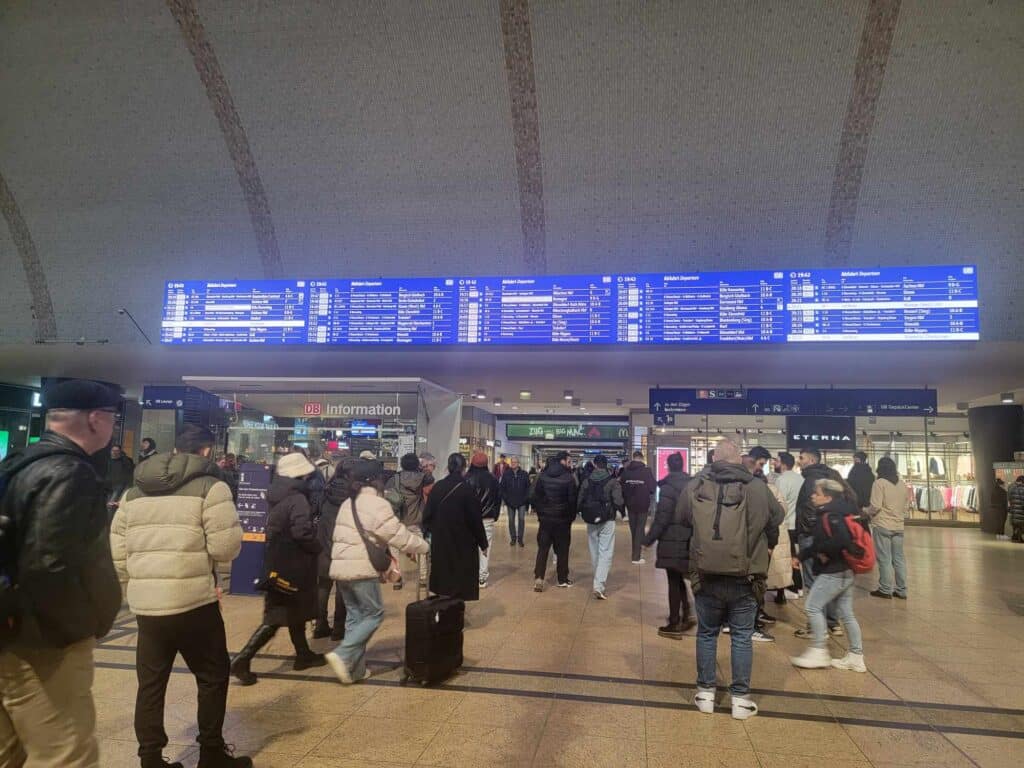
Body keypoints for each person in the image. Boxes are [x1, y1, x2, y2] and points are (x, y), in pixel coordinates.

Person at [0, 380, 123, 767]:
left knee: (10, 751)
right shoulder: (70, 472)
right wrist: (76, 629)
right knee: (66, 754)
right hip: (40, 642)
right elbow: (48, 565)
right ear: (95, 419)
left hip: (8, 629)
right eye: (112, 419)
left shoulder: (19, 462)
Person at [112, 424, 249, 768]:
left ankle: (151, 758)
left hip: (147, 606)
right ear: (206, 452)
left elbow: (117, 549)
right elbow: (225, 548)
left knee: (151, 683)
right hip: (193, 603)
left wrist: (136, 579)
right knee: (212, 676)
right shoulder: (211, 487)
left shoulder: (134, 492)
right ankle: (212, 753)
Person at [678, 438, 781, 721]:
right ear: (739, 459)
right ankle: (740, 700)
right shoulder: (757, 487)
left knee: (707, 633)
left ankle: (705, 694)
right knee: (741, 637)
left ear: (713, 458)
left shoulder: (696, 484)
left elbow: (682, 517)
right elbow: (777, 517)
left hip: (706, 573)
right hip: (746, 576)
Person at [327, 461, 429, 683]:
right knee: (374, 614)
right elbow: (396, 535)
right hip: (361, 569)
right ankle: (343, 654)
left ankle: (354, 671)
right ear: (375, 480)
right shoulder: (376, 503)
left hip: (340, 567)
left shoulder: (348, 503)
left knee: (355, 618)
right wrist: (422, 546)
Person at [231, 453, 325, 686]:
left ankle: (303, 655)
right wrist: (317, 545)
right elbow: (301, 531)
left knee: (294, 611)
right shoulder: (297, 499)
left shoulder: (277, 494)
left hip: (277, 561)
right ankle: (242, 659)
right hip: (294, 564)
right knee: (275, 617)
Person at [791, 478, 867, 672]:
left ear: (827, 496)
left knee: (812, 607)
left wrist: (822, 552)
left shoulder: (830, 515)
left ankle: (818, 651)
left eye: (816, 493)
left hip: (833, 571)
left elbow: (839, 540)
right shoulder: (843, 511)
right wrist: (803, 555)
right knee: (847, 613)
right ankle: (856, 656)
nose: (812, 496)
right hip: (846, 570)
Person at [794, 448, 845, 638]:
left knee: (812, 580)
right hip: (827, 534)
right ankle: (833, 622)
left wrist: (808, 531)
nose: (799, 461)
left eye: (802, 458)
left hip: (812, 536)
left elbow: (809, 509)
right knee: (827, 577)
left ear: (812, 460)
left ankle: (816, 626)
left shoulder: (810, 479)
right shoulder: (830, 476)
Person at [422, 453, 487, 600]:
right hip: (464, 542)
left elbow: (427, 515)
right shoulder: (467, 489)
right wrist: (483, 543)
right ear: (464, 469)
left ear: (448, 467)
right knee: (461, 577)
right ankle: (456, 610)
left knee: (443, 574)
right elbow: (475, 519)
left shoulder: (438, 487)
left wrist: (430, 532)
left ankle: (444, 607)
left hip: (441, 540)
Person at [642, 452, 693, 636]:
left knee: (673, 580)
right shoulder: (691, 485)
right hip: (688, 538)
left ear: (669, 466)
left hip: (672, 540)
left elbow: (662, 518)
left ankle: (674, 622)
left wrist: (648, 540)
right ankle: (686, 614)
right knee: (679, 578)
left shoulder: (668, 488)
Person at [314, 455, 357, 641]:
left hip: (324, 543)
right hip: (344, 545)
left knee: (323, 586)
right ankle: (339, 629)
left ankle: (320, 625)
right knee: (343, 589)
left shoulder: (326, 489)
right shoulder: (355, 494)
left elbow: (315, 510)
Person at [577, 454, 624, 600]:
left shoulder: (587, 480)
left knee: (594, 550)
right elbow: (618, 500)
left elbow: (580, 498)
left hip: (591, 519)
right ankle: (599, 584)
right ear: (606, 465)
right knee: (606, 552)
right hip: (607, 519)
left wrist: (579, 511)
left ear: (595, 465)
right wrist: (620, 511)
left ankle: (597, 577)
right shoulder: (612, 481)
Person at [384, 453, 434, 590]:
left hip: (398, 520)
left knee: (394, 550)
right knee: (421, 548)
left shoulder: (395, 478)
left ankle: (397, 580)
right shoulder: (423, 477)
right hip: (416, 520)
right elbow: (431, 480)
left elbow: (387, 494)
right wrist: (422, 469)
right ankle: (423, 578)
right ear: (416, 465)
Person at [531, 452, 577, 591]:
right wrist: (570, 517)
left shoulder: (542, 476)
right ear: (562, 462)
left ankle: (539, 577)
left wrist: (541, 513)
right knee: (562, 550)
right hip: (563, 520)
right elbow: (572, 500)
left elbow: (535, 497)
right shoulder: (569, 478)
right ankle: (562, 579)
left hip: (545, 520)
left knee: (543, 549)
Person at [867, 457, 909, 599]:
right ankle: (901, 590)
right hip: (899, 525)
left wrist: (866, 511)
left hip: (883, 524)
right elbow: (906, 506)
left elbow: (876, 506)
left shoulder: (879, 483)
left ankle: (885, 589)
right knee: (898, 559)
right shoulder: (902, 484)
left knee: (884, 558)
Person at [465, 452, 501, 589]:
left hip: (469, 519)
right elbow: (498, 499)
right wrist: (495, 515)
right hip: (487, 518)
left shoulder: (466, 478)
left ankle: (470, 574)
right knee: (485, 547)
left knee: (469, 546)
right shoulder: (493, 479)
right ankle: (482, 577)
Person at [772, 451, 804, 601]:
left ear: (783, 464)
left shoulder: (782, 480)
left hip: (786, 523)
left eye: (776, 461)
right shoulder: (800, 478)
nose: (774, 463)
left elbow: (778, 503)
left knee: (787, 557)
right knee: (793, 555)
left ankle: (793, 587)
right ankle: (798, 586)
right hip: (797, 523)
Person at [620, 450, 657, 564]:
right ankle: (636, 557)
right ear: (642, 458)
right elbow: (652, 488)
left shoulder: (625, 472)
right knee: (640, 529)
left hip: (630, 505)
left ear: (633, 458)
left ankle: (636, 553)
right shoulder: (647, 471)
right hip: (643, 504)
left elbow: (622, 488)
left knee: (634, 529)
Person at [499, 456, 530, 547]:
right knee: (511, 520)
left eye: (515, 462)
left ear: (518, 463)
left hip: (522, 501)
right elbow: (502, 488)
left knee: (521, 519)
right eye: (512, 462)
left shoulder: (524, 474)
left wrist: (526, 498)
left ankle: (520, 538)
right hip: (510, 501)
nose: (513, 464)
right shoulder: (506, 474)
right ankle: (513, 538)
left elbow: (528, 487)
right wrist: (506, 498)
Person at [1009, 476, 1024, 543]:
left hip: (1013, 510)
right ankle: (1019, 538)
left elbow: (1009, 499)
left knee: (1016, 525)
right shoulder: (1022, 488)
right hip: (1020, 510)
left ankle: (1015, 537)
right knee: (1020, 525)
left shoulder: (1011, 487)